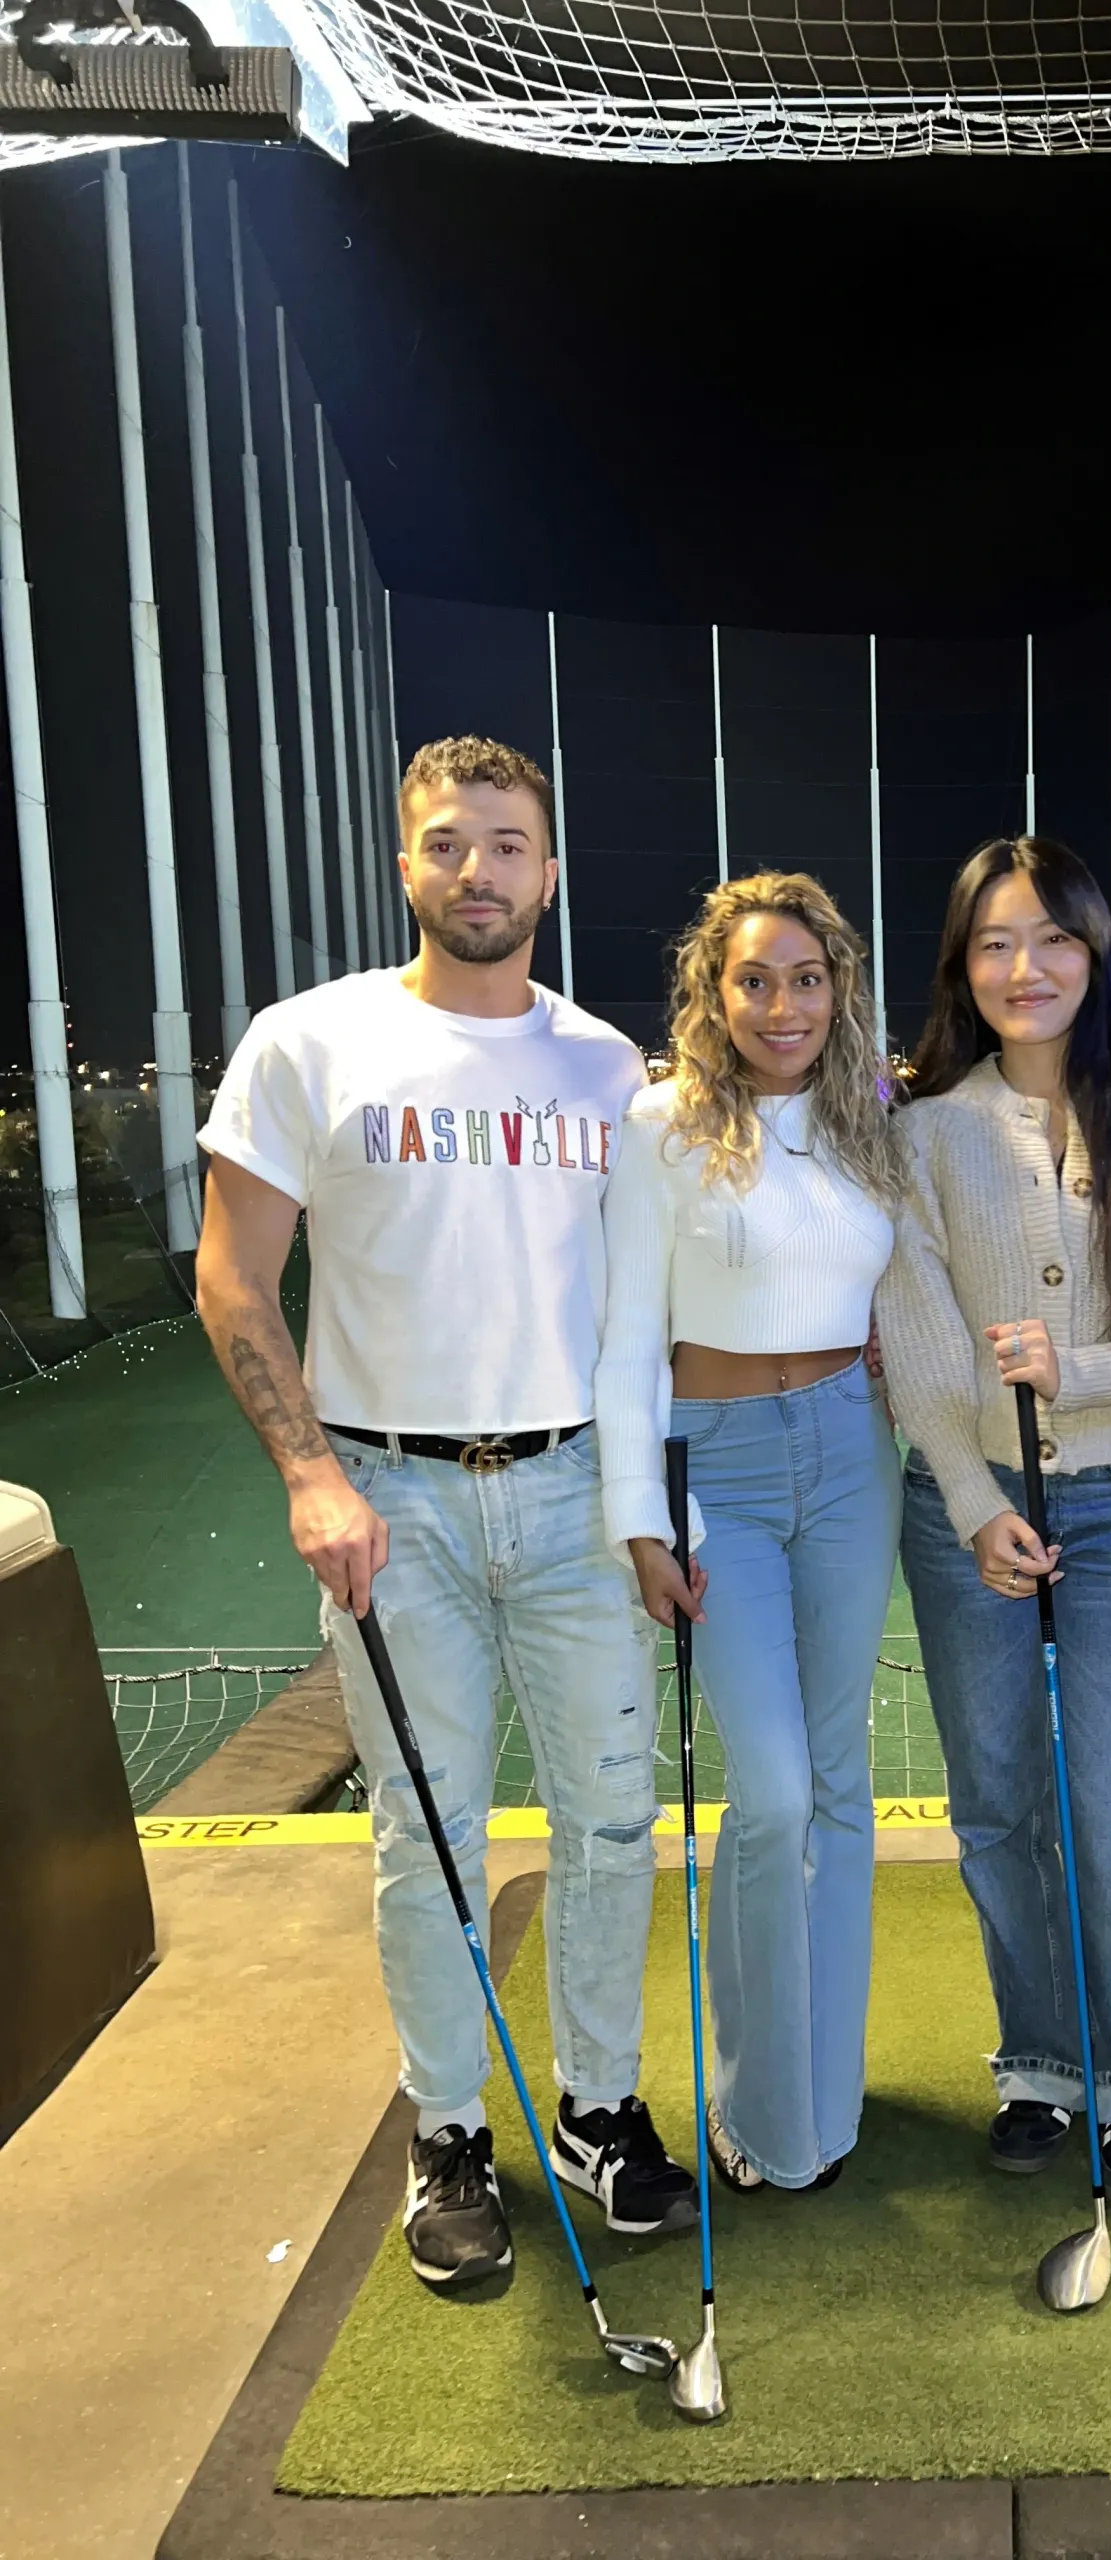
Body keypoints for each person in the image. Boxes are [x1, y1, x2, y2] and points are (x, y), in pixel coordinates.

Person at [196, 735, 694, 2288]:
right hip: (392, 1499)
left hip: (572, 1498)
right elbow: (231, 1274)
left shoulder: (609, 1065)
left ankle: (597, 2105)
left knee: (614, 1821)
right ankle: (447, 2125)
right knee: (431, 1835)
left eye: (505, 843)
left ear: (550, 870)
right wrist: (310, 1473)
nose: (474, 870)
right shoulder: (309, 1043)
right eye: (444, 844)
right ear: (406, 864)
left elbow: (655, 1297)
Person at [878, 837, 1111, 2208]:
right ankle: (1041, 2059)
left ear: (1098, 951)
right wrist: (973, 1508)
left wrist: (1078, 1373)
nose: (1028, 969)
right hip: (968, 1508)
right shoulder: (924, 1132)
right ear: (963, 967)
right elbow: (914, 1342)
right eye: (996, 944)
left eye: (1056, 939)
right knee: (1000, 1804)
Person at [596, 873, 899, 2193]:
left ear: (840, 989)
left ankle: (821, 2109)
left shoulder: (869, 1122)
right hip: (718, 1473)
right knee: (769, 1796)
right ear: (714, 995)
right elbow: (622, 1348)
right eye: (755, 981)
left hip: (850, 1457)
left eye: (807, 979)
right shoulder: (662, 1127)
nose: (783, 1007)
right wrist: (638, 1522)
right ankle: (753, 2103)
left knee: (840, 1793)